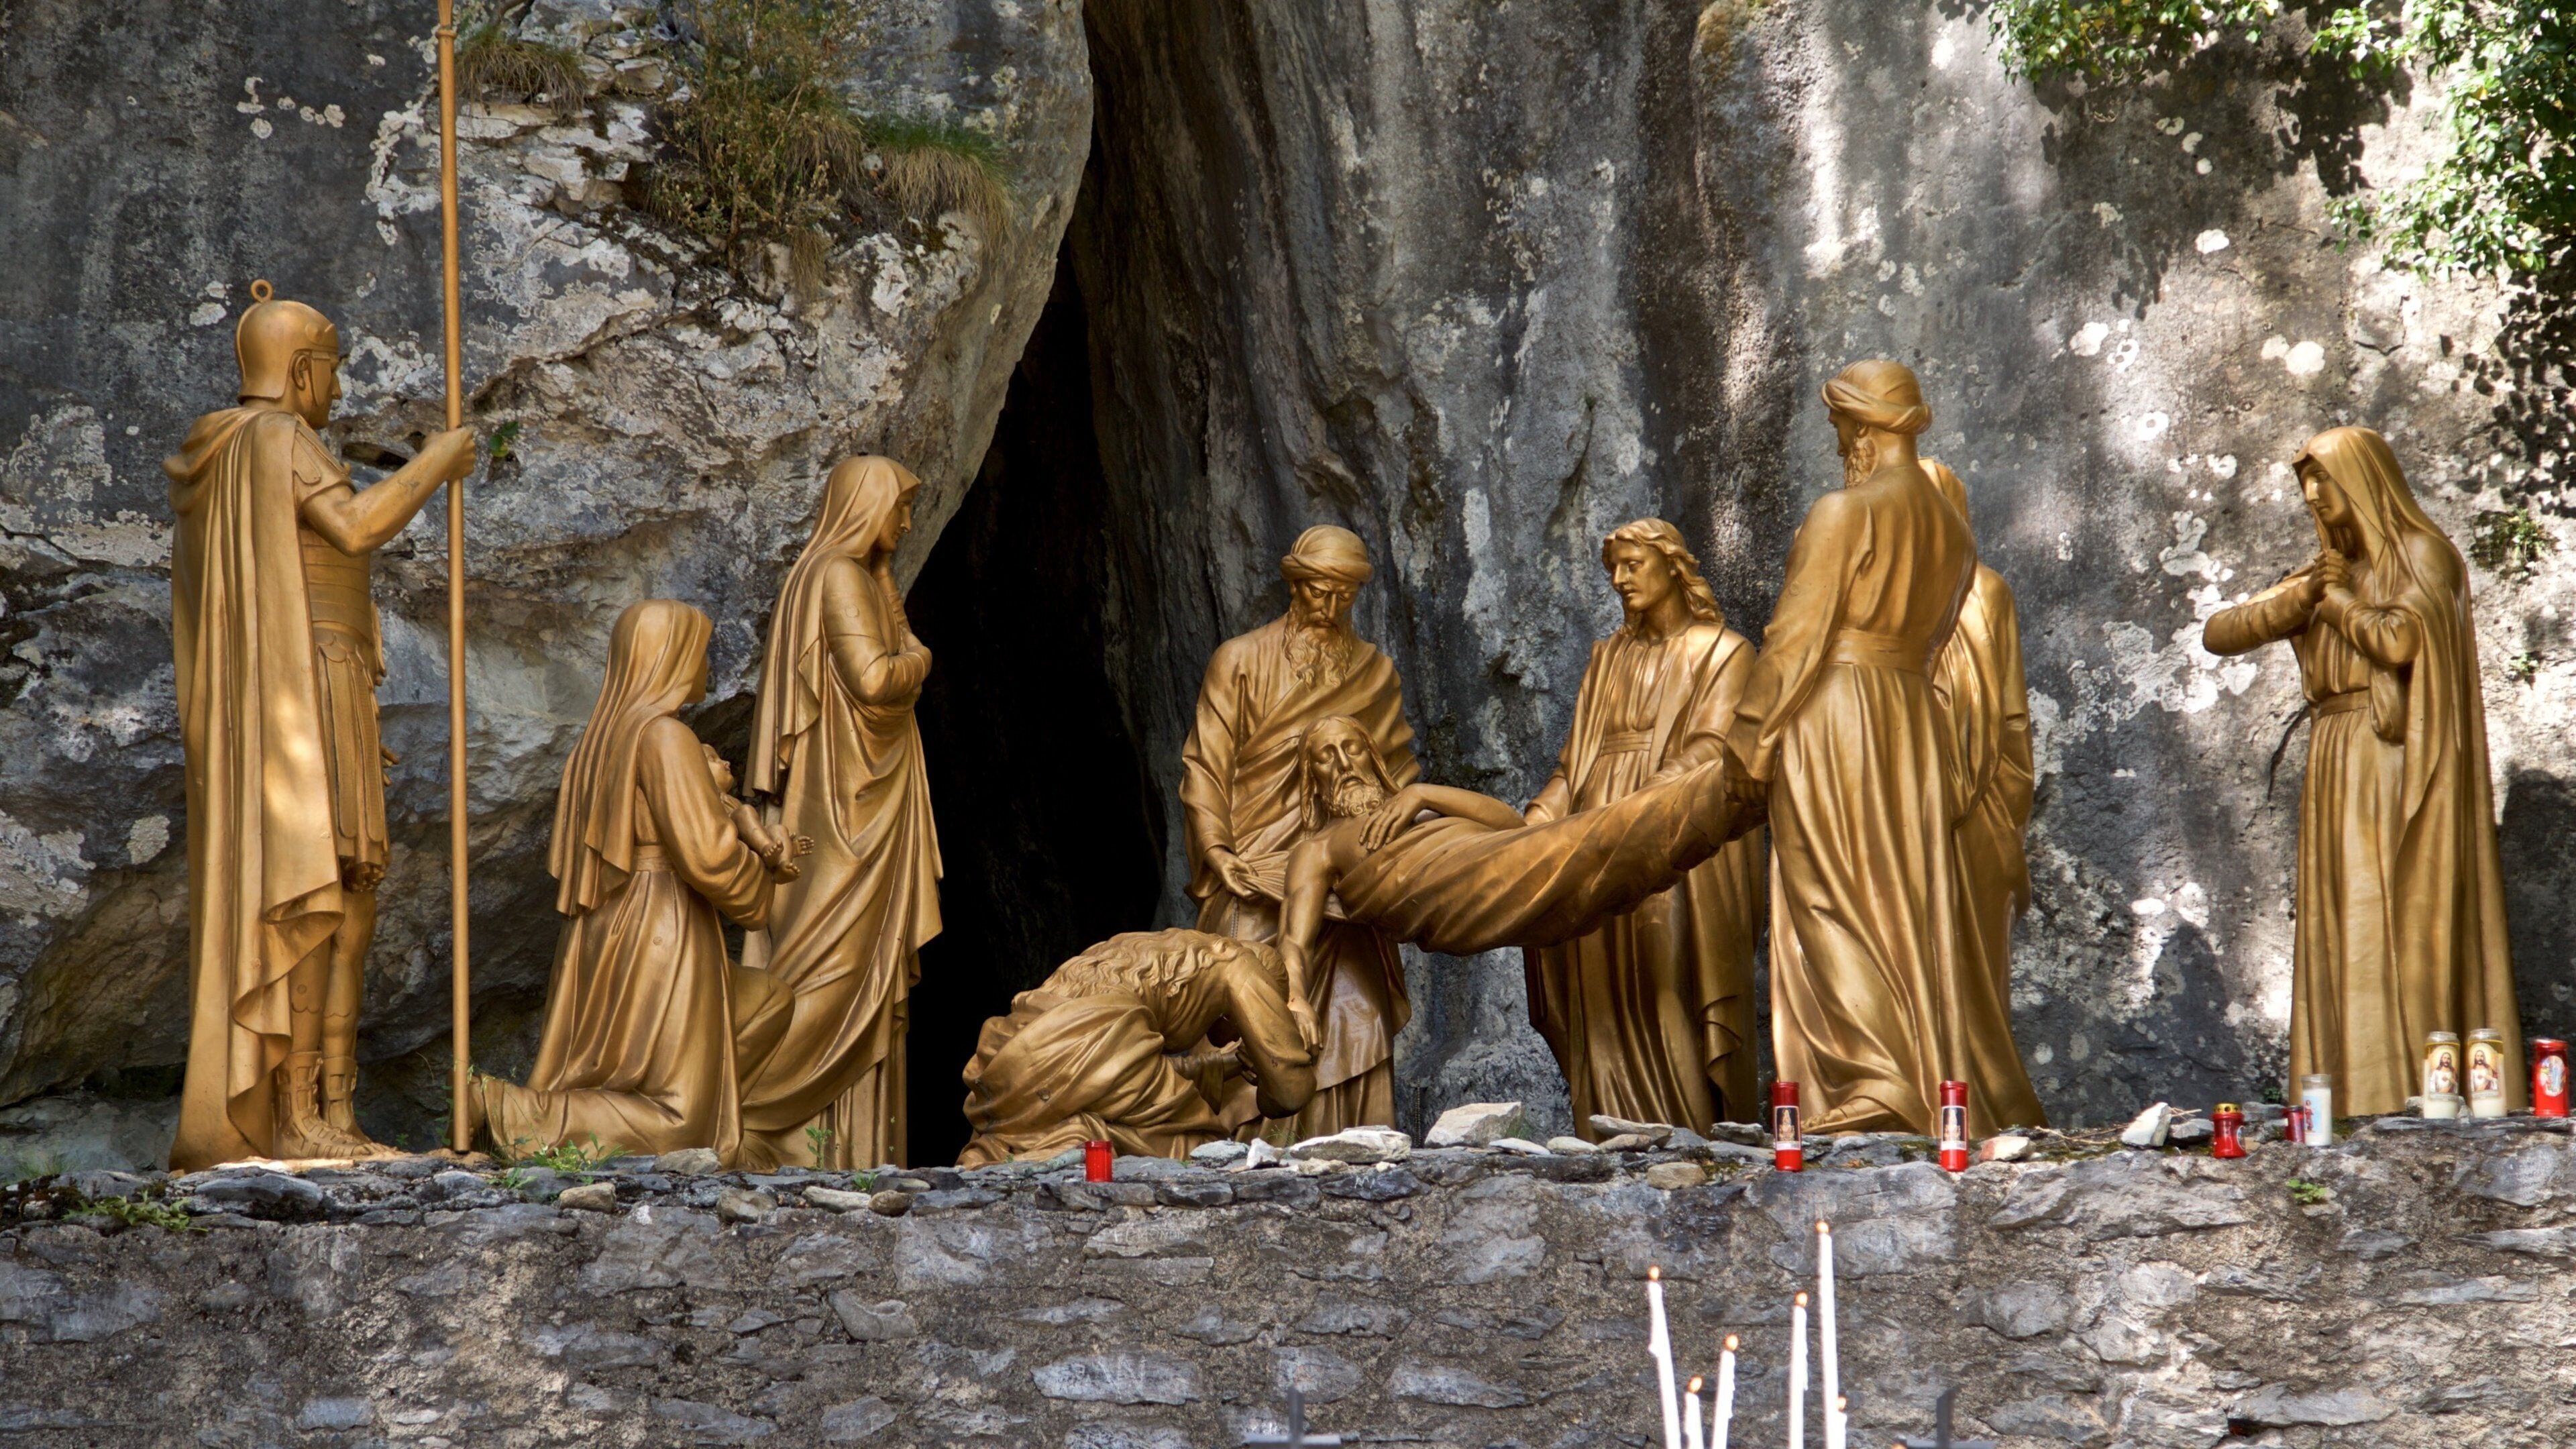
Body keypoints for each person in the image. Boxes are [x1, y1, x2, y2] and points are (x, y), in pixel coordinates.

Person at [164, 285, 475, 1167]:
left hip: (321, 688)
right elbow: (355, 525)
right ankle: (301, 1116)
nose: (337, 392)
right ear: (301, 371)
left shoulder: (226, 457)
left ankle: (335, 1111)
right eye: (332, 373)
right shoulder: (275, 438)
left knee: (350, 896)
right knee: (319, 897)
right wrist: (437, 461)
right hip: (306, 686)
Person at [1727, 360, 2043, 1138]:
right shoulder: (1954, 534)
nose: (1839, 443)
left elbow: (1796, 639)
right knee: (1899, 901)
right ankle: (1921, 1076)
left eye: (1840, 426)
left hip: (1837, 707)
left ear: (1865, 424)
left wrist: (1746, 742)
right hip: (1909, 717)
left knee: (1830, 891)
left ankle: (1875, 1080)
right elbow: (1934, 641)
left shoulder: (1843, 512)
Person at [2202, 426, 2523, 1115]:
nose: (2312, 496)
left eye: (2323, 478)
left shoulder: (2422, 554)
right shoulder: (2324, 572)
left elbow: (2400, 640)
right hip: (2335, 748)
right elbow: (2220, 632)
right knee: (2345, 917)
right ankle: (2353, 1090)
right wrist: (2300, 599)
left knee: (2396, 911)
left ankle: (2418, 1085)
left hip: (2395, 755)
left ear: (2365, 479)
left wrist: (2336, 601)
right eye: (2305, 483)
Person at [464, 600, 790, 1161]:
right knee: (678, 1120)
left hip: (607, 924)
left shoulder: (601, 740)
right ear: (671, 657)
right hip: (661, 920)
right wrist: (760, 880)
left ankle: (719, 1120)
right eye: (700, 651)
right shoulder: (666, 736)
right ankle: (506, 1110)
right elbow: (707, 853)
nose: (707, 665)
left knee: (767, 1001)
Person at [733, 456, 943, 1169]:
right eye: (900, 507)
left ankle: (845, 1150)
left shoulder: (842, 574)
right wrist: (922, 659)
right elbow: (875, 678)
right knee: (835, 967)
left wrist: (888, 581)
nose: (906, 523)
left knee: (854, 971)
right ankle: (761, 1120)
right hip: (847, 814)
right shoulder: (839, 575)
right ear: (868, 506)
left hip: (858, 799)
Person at [1521, 520, 1765, 1134]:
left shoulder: (1724, 652)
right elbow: (1575, 763)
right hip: (1592, 837)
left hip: (1671, 837)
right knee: (1596, 982)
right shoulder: (1607, 658)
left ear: (1672, 567)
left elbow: (1714, 750)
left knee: (1667, 969)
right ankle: (1604, 1125)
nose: (1619, 579)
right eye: (1613, 568)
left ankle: (1690, 1128)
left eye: (1633, 565)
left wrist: (1636, 811)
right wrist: (1541, 817)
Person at [1181, 525, 1417, 1140]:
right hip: (1254, 872)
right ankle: (1249, 1153)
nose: (1329, 607)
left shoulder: (1375, 673)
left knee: (1357, 1013)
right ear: (1294, 585)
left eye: (1345, 595)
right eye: (1318, 591)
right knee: (1252, 1011)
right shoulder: (1239, 661)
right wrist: (1217, 850)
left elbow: (1395, 775)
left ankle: (1355, 1147)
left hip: (1346, 881)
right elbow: (1206, 766)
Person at [1273, 718, 1745, 975]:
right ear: (1312, 778)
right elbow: (1293, 940)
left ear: (1372, 757)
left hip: (1501, 859)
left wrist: (1422, 793)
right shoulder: (1318, 850)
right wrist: (1295, 999)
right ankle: (1736, 785)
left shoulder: (1416, 810)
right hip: (1460, 896)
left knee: (1605, 850)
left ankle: (1732, 792)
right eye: (1326, 757)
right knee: (1605, 836)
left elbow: (1510, 825)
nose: (1344, 764)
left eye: (1352, 748)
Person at [957, 930, 1317, 1166]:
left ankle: (1056, 1141)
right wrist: (1274, 1061)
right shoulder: (1239, 963)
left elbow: (1114, 1075)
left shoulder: (1142, 951)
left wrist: (1231, 1065)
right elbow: (1290, 1092)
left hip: (1016, 1051)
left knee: (1129, 1123)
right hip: (1088, 1040)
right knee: (1197, 1148)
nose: (1234, 1036)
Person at [1922, 462, 2040, 1072]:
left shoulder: (1986, 593)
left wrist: (2005, 805)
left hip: (1982, 803)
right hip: (1907, 796)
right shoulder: (1880, 602)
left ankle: (1985, 1094)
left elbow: (2011, 715)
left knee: (1976, 959)